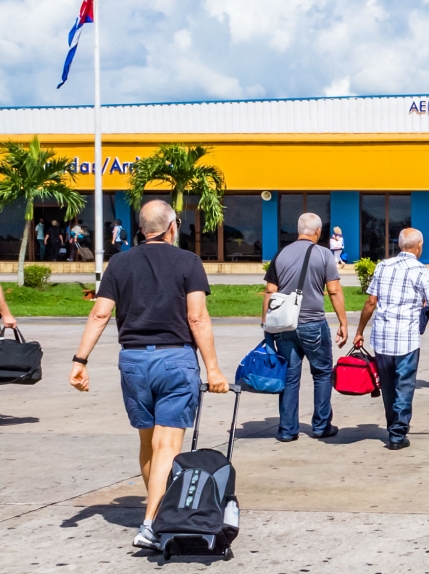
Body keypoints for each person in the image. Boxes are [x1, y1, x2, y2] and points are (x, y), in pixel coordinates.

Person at [67, 200, 230, 551]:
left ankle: (155, 514)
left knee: (148, 444)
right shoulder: (188, 261)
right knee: (167, 446)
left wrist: (80, 360)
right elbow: (198, 318)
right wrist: (213, 369)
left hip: (134, 362)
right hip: (174, 361)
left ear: (141, 229)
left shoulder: (120, 263)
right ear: (172, 227)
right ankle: (152, 524)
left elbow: (99, 315)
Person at [354, 228, 429, 450]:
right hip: (406, 340)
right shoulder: (421, 271)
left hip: (381, 338)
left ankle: (393, 426)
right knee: (405, 384)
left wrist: (360, 331)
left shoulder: (383, 266)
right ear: (419, 246)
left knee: (389, 386)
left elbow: (371, 301)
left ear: (400, 245)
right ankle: (397, 434)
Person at [263, 213, 349, 442]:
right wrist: (343, 322)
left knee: (290, 377)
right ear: (318, 232)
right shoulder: (323, 254)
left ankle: (287, 430)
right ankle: (321, 426)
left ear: (298, 229)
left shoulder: (280, 254)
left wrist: (266, 324)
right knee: (321, 374)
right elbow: (334, 290)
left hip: (284, 325)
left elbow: (270, 291)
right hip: (312, 323)